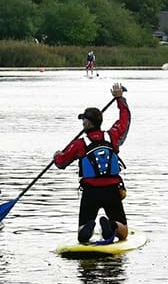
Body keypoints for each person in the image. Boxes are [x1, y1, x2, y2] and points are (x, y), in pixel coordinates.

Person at [54, 83, 131, 244]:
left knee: (82, 235)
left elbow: (61, 163)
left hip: (90, 192)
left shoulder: (79, 144)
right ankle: (111, 225)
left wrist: (57, 155)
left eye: (84, 120)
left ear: (87, 123)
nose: (82, 123)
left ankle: (88, 227)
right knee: (123, 233)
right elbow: (125, 120)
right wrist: (120, 99)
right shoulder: (113, 136)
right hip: (112, 190)